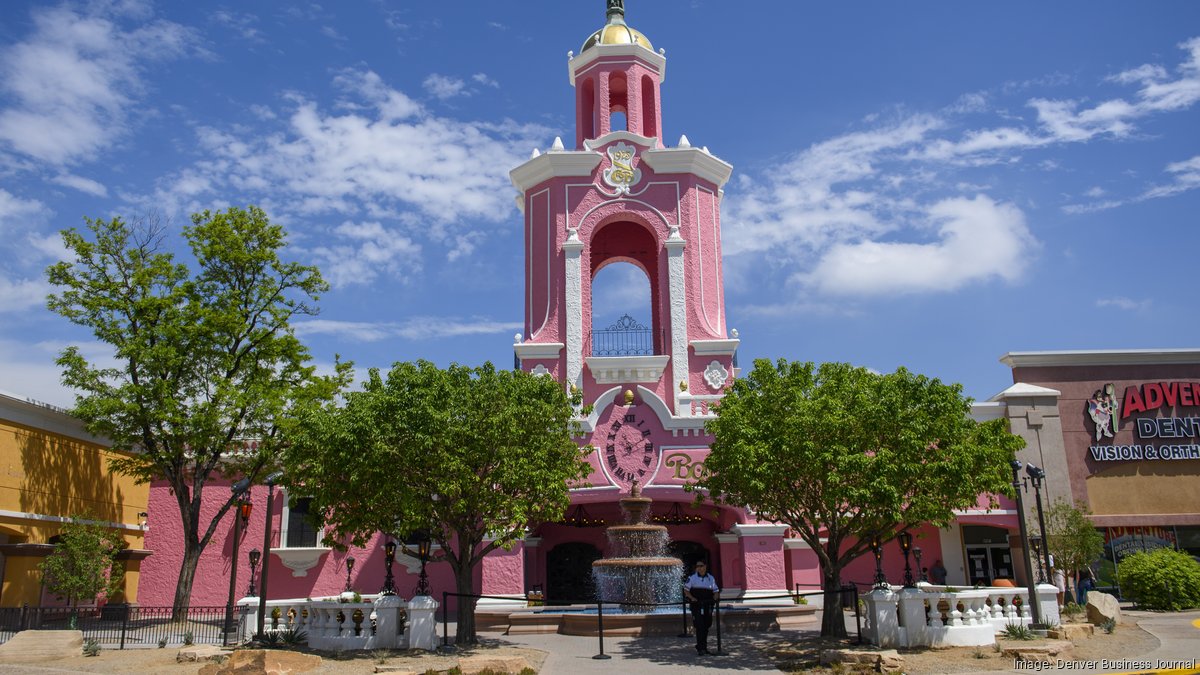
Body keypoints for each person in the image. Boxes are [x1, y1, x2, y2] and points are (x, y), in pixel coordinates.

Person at [683, 560, 719, 655]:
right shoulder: (692, 578)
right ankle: (701, 648)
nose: (699, 567)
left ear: (705, 566)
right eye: (697, 566)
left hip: (707, 605)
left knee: (706, 625)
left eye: (701, 565)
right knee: (699, 626)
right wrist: (692, 598)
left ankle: (703, 647)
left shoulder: (711, 578)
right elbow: (686, 590)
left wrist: (715, 598)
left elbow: (715, 591)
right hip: (697, 606)